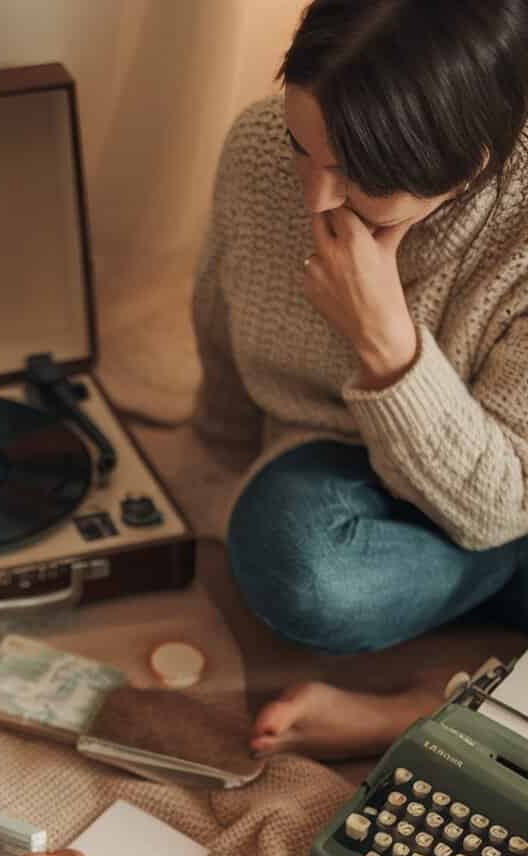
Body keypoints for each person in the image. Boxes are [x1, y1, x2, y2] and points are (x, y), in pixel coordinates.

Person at [193, 0, 528, 762]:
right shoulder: (255, 151)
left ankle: (424, 704)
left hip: (508, 492)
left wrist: (388, 343)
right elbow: (218, 309)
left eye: (355, 173)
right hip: (343, 464)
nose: (315, 197)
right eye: (300, 144)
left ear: (469, 166)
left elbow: (500, 509)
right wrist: (212, 459)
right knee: (297, 565)